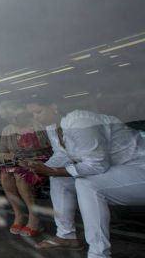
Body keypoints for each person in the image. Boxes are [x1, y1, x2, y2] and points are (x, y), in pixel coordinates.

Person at [22, 99, 145, 257]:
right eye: (32, 113)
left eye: (38, 111)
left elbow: (97, 165)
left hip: (139, 166)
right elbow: (62, 155)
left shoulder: (80, 122)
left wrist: (50, 170)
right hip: (123, 168)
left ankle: (98, 254)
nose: (35, 117)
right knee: (59, 178)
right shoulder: (54, 126)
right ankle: (66, 236)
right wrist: (38, 169)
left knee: (87, 184)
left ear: (54, 106)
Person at [0, 100, 52, 237]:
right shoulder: (7, 130)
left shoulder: (38, 124)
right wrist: (10, 157)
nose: (10, 120)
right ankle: (19, 215)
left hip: (40, 164)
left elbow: (50, 148)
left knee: (20, 176)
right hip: (18, 164)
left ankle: (34, 217)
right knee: (5, 175)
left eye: (12, 116)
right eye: (7, 118)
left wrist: (32, 159)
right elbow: (0, 153)